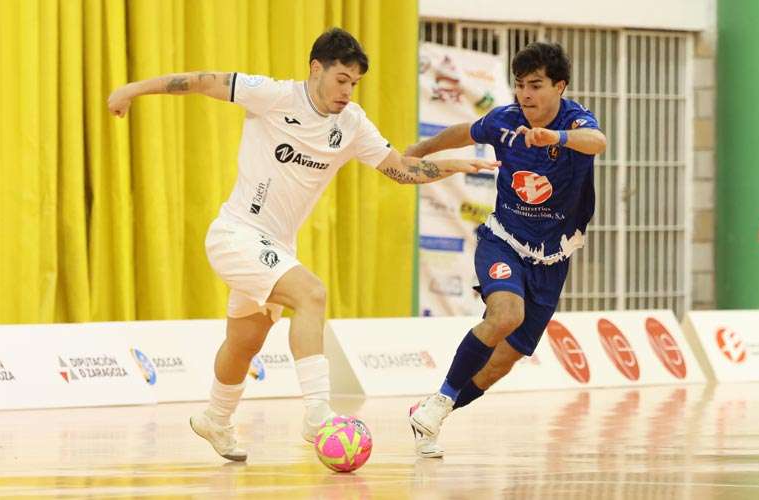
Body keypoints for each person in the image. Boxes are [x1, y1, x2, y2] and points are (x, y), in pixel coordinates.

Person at [107, 27, 499, 462]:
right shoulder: (272, 95)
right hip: (236, 233)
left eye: (355, 83)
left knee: (245, 342)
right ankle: (317, 413)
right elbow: (201, 81)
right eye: (341, 80)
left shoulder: (351, 124)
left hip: (274, 245)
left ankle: (216, 419)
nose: (348, 92)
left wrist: (449, 166)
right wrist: (133, 89)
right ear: (316, 68)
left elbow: (399, 169)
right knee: (311, 293)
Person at [406, 42, 607, 458]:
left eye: (536, 85)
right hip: (504, 240)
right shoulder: (505, 121)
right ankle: (441, 399)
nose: (526, 95)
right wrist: (419, 150)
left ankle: (430, 413)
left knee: (501, 363)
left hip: (552, 258)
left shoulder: (576, 121)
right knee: (506, 315)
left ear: (560, 87)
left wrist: (557, 137)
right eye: (519, 86)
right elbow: (463, 132)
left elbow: (597, 141)